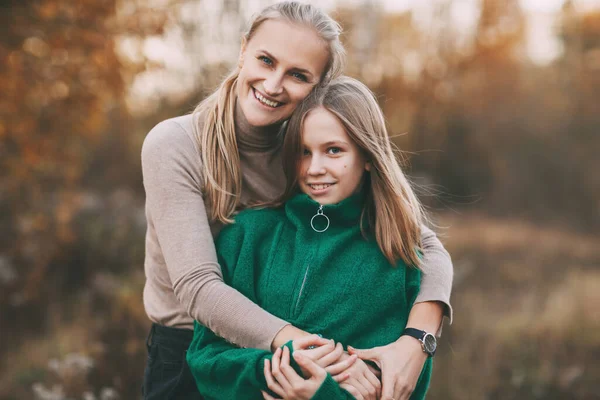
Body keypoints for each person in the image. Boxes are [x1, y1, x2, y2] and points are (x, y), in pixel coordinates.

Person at [141, 2, 453, 399]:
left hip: (294, 356)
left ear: (318, 86)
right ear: (243, 50)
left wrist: (417, 338)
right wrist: (305, 350)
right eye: (266, 60)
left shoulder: (305, 146)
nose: (273, 85)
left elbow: (423, 243)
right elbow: (198, 286)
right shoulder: (176, 145)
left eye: (298, 75)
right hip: (194, 351)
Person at [187, 76, 434, 400]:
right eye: (304, 152)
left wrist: (322, 394)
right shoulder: (246, 235)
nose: (314, 168)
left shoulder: (398, 255)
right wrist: (276, 372)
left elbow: (401, 387)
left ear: (369, 157)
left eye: (333, 150)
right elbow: (204, 357)